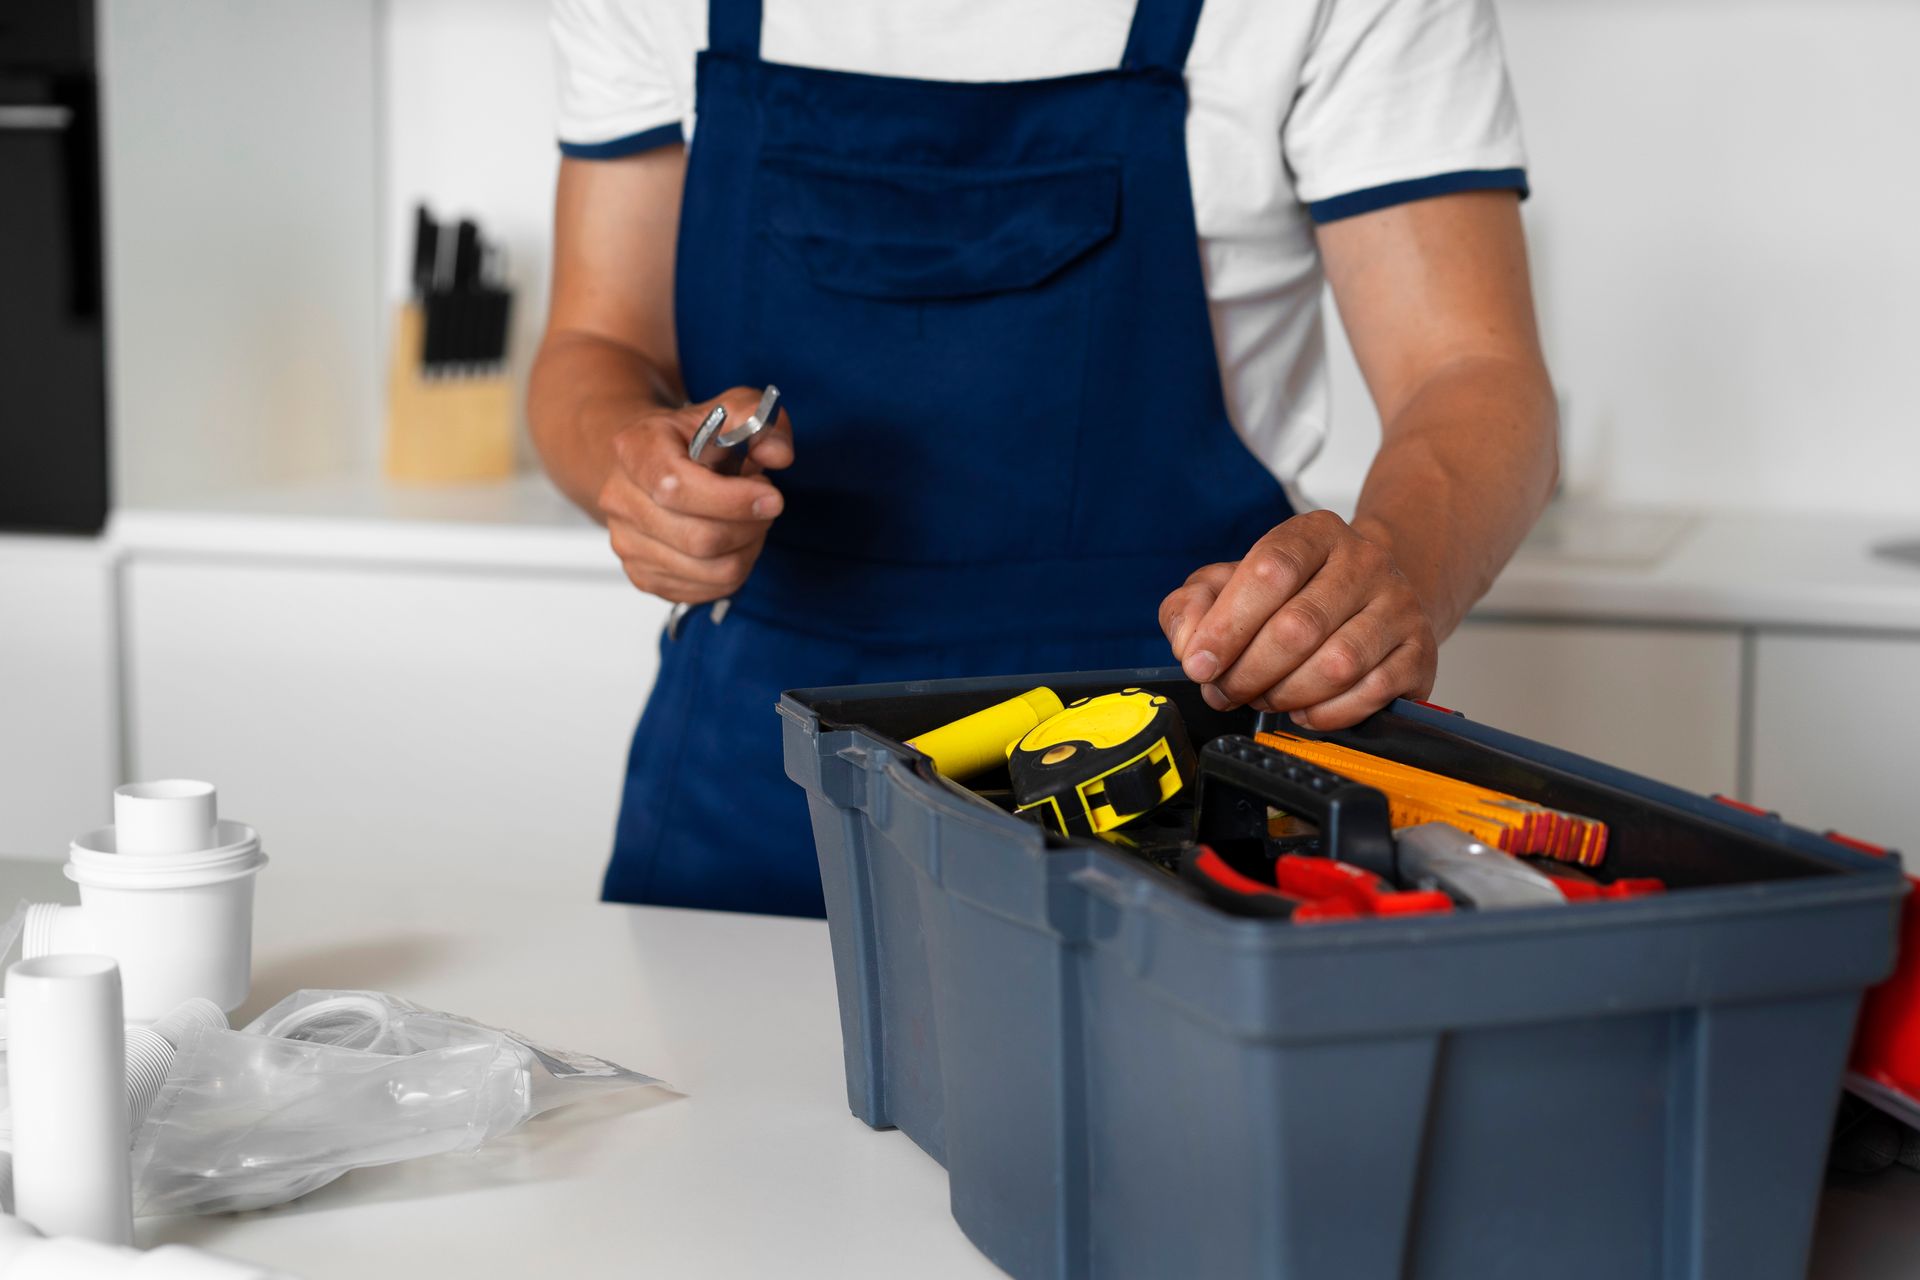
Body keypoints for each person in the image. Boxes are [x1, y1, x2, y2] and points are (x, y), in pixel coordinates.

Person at [529, 0, 1559, 917]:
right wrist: (636, 470)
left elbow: (1468, 368)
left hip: (1176, 764)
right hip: (760, 768)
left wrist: (1392, 571)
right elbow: (593, 347)